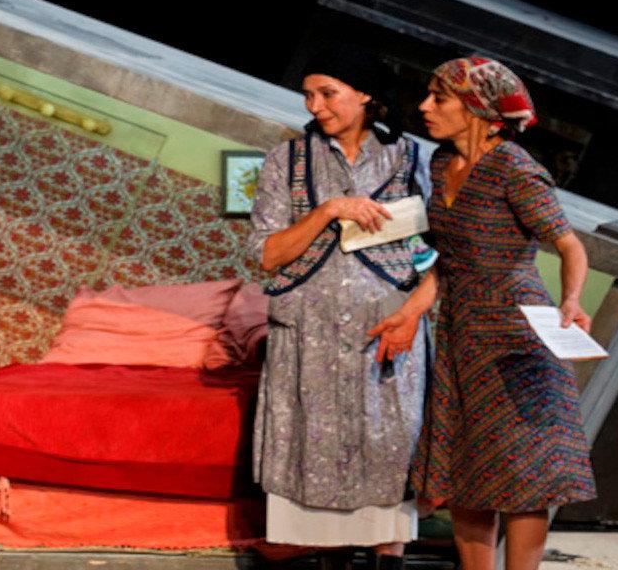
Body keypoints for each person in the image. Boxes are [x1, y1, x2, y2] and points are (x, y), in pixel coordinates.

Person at [248, 48, 437, 570]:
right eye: (308, 95)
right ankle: (327, 558)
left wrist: (414, 315)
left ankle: (387, 560)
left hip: (388, 328)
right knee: (314, 445)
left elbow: (440, 252)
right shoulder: (286, 160)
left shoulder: (412, 158)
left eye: (327, 93)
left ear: (364, 94)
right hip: (310, 333)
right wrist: (329, 209)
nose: (316, 106)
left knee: (386, 440)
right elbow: (266, 254)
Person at [411, 57, 595, 570]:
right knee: (465, 469)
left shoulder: (514, 168)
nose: (425, 107)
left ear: (479, 110)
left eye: (439, 98)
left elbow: (569, 245)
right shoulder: (441, 163)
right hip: (461, 332)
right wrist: (410, 312)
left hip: (516, 335)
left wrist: (571, 300)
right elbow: (445, 259)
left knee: (523, 471)